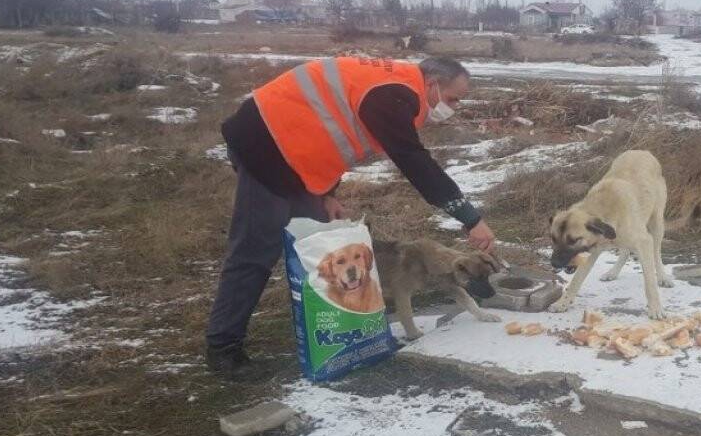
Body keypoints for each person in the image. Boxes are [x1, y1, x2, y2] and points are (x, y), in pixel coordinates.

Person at [205, 55, 496, 380]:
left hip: (291, 152)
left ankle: (327, 329)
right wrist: (470, 218)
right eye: (453, 98)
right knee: (255, 250)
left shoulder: (396, 89)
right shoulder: (394, 94)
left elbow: (330, 135)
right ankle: (223, 349)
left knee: (318, 245)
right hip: (264, 147)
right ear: (432, 84)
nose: (453, 107)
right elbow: (414, 161)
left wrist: (326, 193)